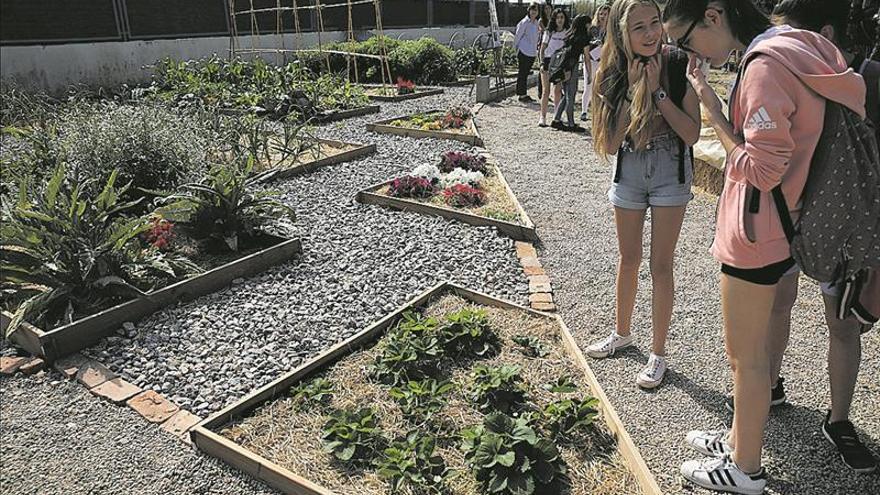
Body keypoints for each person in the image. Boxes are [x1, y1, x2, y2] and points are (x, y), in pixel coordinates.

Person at [662, 1, 867, 493]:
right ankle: (739, 438)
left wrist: (712, 112)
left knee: (745, 356)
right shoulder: (800, 45)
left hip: (756, 229)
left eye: (686, 40)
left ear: (713, 17)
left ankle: (746, 468)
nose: (689, 51)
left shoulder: (763, 67)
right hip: (788, 221)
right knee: (751, 354)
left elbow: (760, 168)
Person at [720, 0, 880, 474]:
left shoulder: (860, 71)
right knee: (794, 307)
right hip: (822, 213)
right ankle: (774, 392)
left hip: (825, 212)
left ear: (822, 32)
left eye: (787, 30)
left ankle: (837, 417)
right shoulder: (851, 72)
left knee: (836, 321)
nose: (779, 39)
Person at [585, 0, 701, 390]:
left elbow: (692, 134)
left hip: (671, 167)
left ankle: (658, 353)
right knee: (628, 258)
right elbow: (612, 140)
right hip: (630, 167)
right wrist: (634, 90)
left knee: (661, 264)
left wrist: (657, 93)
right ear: (621, 32)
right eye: (639, 27)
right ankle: (622, 333)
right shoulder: (612, 71)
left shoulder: (678, 62)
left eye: (654, 23)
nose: (651, 33)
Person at [551, 14, 592, 131]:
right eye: (589, 23)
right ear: (585, 24)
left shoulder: (569, 35)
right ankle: (571, 124)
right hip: (572, 68)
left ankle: (556, 119)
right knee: (571, 96)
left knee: (566, 95)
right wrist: (589, 74)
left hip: (563, 67)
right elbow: (587, 58)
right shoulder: (584, 38)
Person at [539, 8, 571, 127]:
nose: (560, 20)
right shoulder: (549, 32)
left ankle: (557, 116)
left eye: (562, 17)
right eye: (557, 17)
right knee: (546, 91)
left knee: (558, 91)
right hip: (548, 62)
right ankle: (542, 116)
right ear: (554, 19)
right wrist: (541, 63)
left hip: (559, 64)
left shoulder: (567, 32)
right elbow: (542, 49)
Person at [583, 2, 611, 121]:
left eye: (605, 14)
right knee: (588, 85)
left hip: (604, 61)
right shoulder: (592, 29)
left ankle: (597, 112)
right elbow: (585, 45)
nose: (602, 16)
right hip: (591, 60)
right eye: (601, 14)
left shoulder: (612, 30)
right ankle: (584, 111)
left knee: (601, 88)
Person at [514, 3, 542, 103]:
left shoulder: (536, 23)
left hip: (532, 52)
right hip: (524, 51)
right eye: (532, 9)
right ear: (529, 10)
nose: (534, 12)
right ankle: (521, 95)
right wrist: (516, 48)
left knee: (525, 73)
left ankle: (523, 93)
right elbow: (518, 35)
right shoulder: (525, 22)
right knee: (522, 73)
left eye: (536, 10)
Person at [537, 1, 555, 98]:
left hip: (552, 47)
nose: (548, 10)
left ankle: (551, 91)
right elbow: (546, 32)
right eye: (546, 9)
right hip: (543, 46)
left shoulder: (554, 19)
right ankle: (541, 91)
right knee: (543, 69)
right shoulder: (541, 21)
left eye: (549, 8)